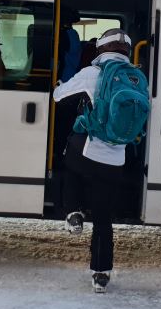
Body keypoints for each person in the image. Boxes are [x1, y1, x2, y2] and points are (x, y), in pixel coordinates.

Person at [53, 28, 146, 293]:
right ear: (127, 52)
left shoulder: (92, 74)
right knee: (104, 218)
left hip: (87, 153)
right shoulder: (137, 78)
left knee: (68, 160)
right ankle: (101, 274)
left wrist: (61, 86)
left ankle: (73, 211)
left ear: (100, 50)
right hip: (116, 159)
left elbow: (59, 97)